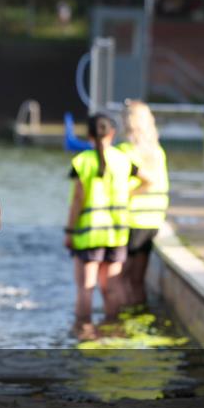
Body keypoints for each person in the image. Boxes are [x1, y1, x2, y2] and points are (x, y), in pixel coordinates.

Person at [64, 113, 152, 341]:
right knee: (111, 288)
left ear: (89, 135)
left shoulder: (82, 162)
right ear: (112, 134)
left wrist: (70, 231)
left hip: (88, 235)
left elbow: (77, 201)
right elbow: (148, 180)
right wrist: (128, 195)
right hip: (116, 234)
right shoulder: (123, 160)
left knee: (86, 288)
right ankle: (114, 330)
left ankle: (83, 332)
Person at [117, 100, 169, 307]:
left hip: (132, 220)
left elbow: (145, 182)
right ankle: (138, 319)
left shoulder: (124, 151)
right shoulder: (158, 151)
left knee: (119, 280)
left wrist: (124, 195)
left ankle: (117, 324)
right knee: (138, 281)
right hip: (153, 220)